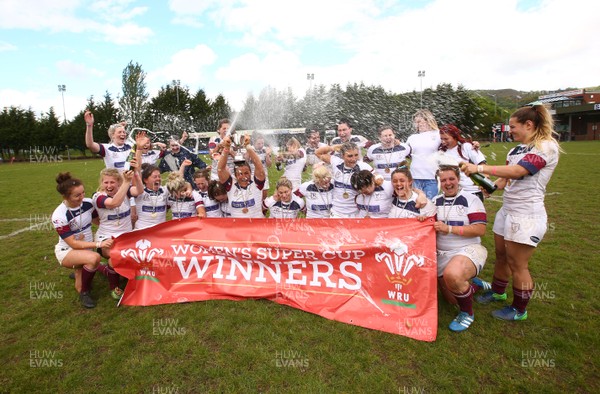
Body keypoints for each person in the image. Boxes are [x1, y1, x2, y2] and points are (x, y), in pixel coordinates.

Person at [461, 103, 561, 321]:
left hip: (527, 214)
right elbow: (505, 178)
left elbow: (518, 171)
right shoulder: (515, 149)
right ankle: (498, 292)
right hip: (508, 210)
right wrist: (490, 188)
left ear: (529, 124)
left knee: (518, 264)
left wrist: (479, 168)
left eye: (513, 127)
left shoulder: (546, 146)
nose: (510, 131)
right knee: (502, 255)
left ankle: (519, 310)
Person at [433, 165, 488, 332]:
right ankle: (476, 286)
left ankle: (467, 313)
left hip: (468, 249)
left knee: (453, 276)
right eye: (443, 180)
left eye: (451, 179)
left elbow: (480, 229)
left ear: (458, 179)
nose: (448, 183)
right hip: (443, 254)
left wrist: (449, 229)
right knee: (452, 299)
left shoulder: (471, 199)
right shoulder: (435, 201)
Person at [52, 172, 113, 308]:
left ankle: (83, 270)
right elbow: (72, 243)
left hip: (85, 249)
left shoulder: (88, 204)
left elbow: (98, 221)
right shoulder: (59, 215)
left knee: (89, 261)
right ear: (65, 197)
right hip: (67, 251)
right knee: (94, 258)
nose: (82, 197)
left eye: (83, 193)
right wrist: (99, 243)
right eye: (77, 195)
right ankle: (84, 293)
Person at [92, 167, 143, 300]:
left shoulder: (125, 191)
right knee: (115, 257)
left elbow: (139, 190)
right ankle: (114, 287)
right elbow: (114, 203)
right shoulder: (98, 197)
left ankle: (101, 268)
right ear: (101, 183)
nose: (109, 186)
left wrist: (136, 175)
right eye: (106, 182)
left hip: (126, 237)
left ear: (119, 183)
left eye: (112, 182)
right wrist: (126, 183)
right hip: (106, 239)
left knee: (139, 254)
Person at [315, 142, 373, 217]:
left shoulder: (363, 166)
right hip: (336, 213)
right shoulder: (336, 162)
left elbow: (377, 179)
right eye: (350, 156)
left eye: (356, 155)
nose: (354, 159)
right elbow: (318, 153)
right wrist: (333, 147)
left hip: (355, 213)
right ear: (342, 156)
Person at [218, 135, 266, 218]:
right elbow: (220, 169)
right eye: (240, 174)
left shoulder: (256, 183)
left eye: (246, 173)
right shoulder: (231, 185)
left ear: (251, 173)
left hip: (256, 227)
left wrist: (248, 147)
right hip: (238, 228)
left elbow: (259, 167)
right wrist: (226, 148)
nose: (244, 176)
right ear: (235, 175)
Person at [439, 124, 487, 201]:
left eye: (446, 139)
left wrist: (485, 183)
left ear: (455, 137)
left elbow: (482, 164)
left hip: (472, 191)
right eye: (441, 139)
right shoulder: (441, 152)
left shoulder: (466, 147)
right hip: (453, 192)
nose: (443, 141)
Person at [406, 109, 441, 199]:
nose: (417, 124)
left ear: (428, 120)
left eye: (419, 121)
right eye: (415, 122)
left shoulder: (438, 134)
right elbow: (405, 154)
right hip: (415, 176)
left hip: (431, 176)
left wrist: (474, 144)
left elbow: (453, 144)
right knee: (416, 204)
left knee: (430, 205)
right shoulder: (412, 138)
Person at [134, 164, 169, 229]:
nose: (158, 178)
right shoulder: (140, 191)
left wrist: (183, 166)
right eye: (155, 177)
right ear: (145, 180)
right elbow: (136, 180)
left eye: (159, 176)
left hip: (160, 230)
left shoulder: (164, 190)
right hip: (142, 230)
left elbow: (178, 183)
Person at [246, 133, 272, 200]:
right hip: (252, 176)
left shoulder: (265, 150)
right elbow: (245, 161)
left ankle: (262, 209)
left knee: (264, 197)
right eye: (258, 143)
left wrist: (267, 154)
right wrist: (248, 151)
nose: (261, 145)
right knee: (253, 197)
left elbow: (269, 165)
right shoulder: (250, 149)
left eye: (262, 143)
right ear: (254, 143)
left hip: (264, 175)